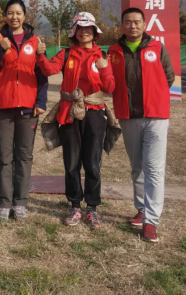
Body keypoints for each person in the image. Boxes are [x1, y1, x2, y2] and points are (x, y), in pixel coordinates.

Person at [36, 12, 115, 229]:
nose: (84, 32)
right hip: (69, 112)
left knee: (92, 162)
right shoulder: (66, 53)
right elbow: (49, 69)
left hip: (95, 113)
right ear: (74, 32)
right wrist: (41, 56)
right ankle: (74, 206)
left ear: (95, 32)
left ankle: (92, 208)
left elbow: (109, 88)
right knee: (71, 162)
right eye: (80, 28)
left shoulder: (102, 55)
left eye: (88, 28)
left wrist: (104, 68)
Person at [109, 7, 174, 243]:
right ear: (122, 26)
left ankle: (151, 221)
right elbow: (109, 82)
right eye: (128, 22)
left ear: (144, 24)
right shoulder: (114, 51)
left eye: (137, 22)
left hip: (156, 116)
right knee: (137, 166)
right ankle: (141, 209)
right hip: (128, 116)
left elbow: (169, 77)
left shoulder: (157, 47)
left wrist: (154, 96)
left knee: (154, 168)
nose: (133, 26)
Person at [0, 0, 48, 221]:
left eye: (18, 13)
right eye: (10, 13)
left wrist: (41, 102)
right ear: (5, 16)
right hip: (2, 106)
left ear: (24, 16)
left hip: (28, 108)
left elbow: (42, 74)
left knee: (24, 156)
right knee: (4, 157)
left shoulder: (35, 41)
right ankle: (4, 202)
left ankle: (20, 203)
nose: (14, 17)